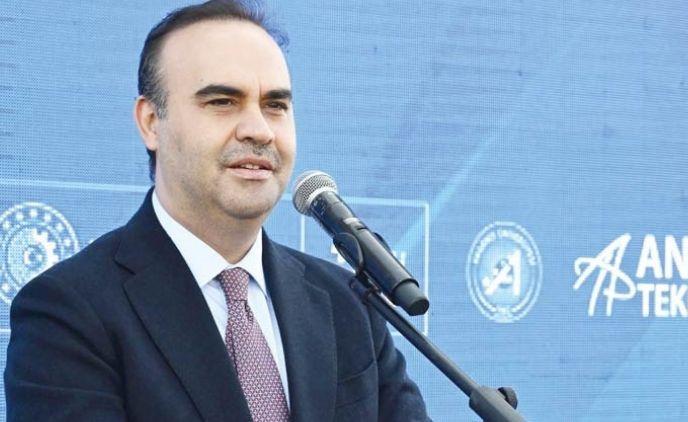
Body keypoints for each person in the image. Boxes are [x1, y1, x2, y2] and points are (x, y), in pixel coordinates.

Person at [4, 1, 429, 421]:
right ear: (151, 122)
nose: (259, 130)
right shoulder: (68, 312)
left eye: (275, 105)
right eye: (223, 102)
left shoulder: (348, 304)